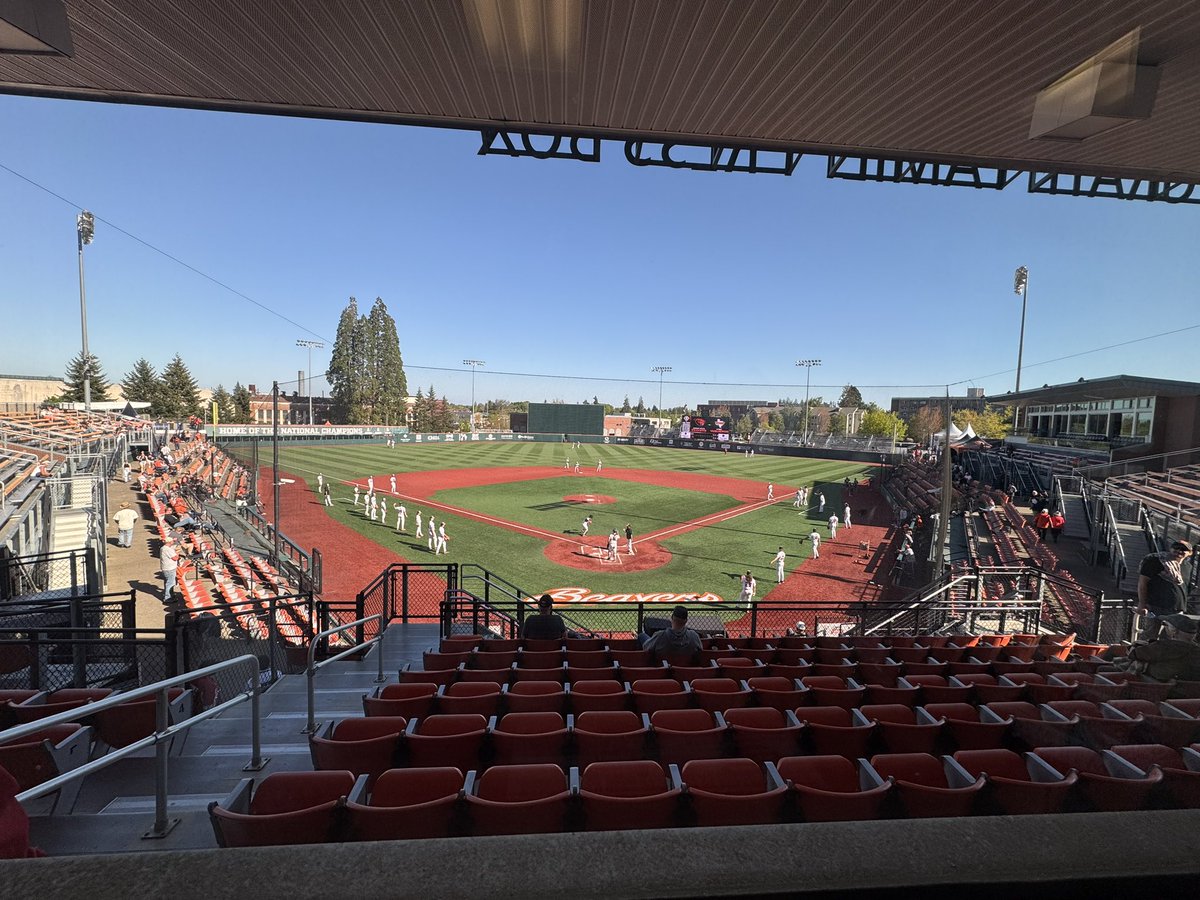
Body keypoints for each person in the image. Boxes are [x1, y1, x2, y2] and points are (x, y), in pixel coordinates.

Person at [1117, 613, 1200, 681]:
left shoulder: (1164, 647)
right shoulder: (1196, 650)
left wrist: (1134, 646)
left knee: (1132, 663)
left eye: (1165, 624)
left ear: (1174, 630)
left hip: (1160, 687)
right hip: (1187, 687)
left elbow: (1134, 654)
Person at [1137, 541, 1191, 640]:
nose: (1179, 550)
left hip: (1177, 609)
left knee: (1170, 637)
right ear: (1170, 548)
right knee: (1149, 635)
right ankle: (1138, 654)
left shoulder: (1188, 567)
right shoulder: (1155, 561)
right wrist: (1142, 603)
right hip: (1155, 606)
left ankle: (1160, 655)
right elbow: (1142, 583)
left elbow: (1185, 587)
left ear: (1190, 553)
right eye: (1176, 547)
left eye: (1183, 549)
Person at [160, 539, 180, 605]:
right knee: (170, 583)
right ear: (169, 542)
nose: (173, 542)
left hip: (166, 568)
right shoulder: (167, 549)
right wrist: (177, 554)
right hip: (169, 569)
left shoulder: (163, 548)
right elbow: (175, 558)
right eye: (172, 541)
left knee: (168, 582)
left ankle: (170, 595)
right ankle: (167, 598)